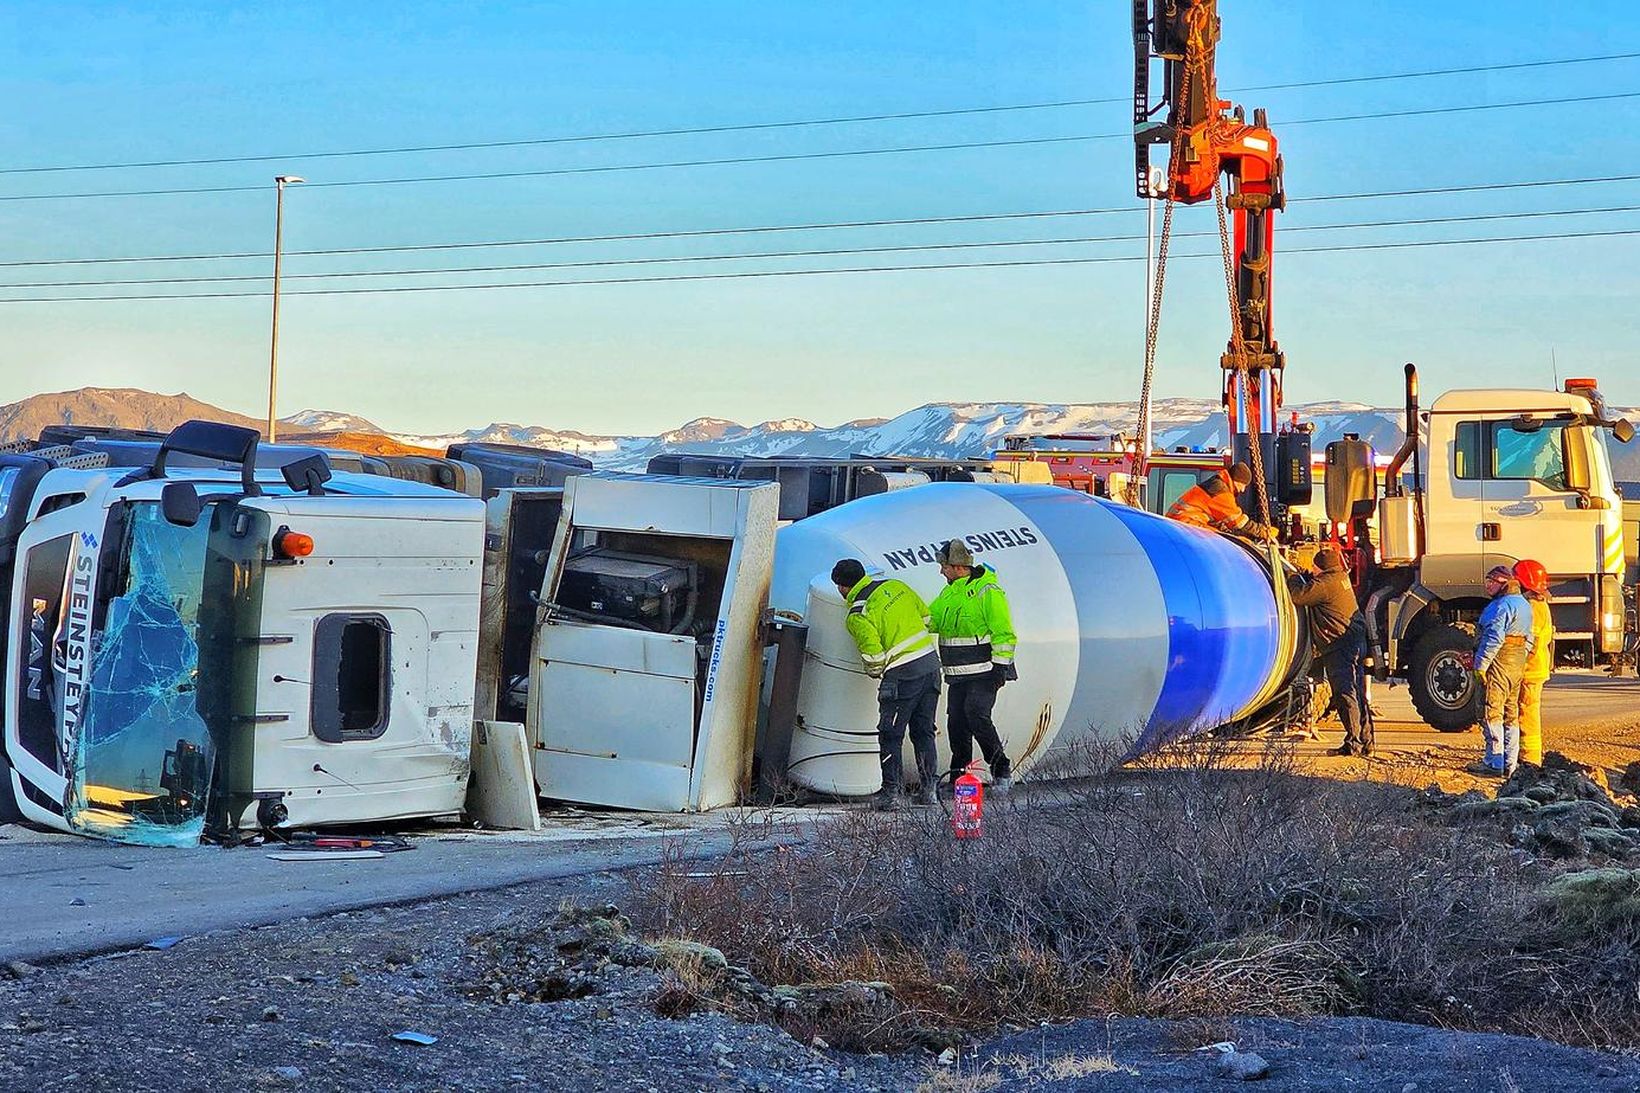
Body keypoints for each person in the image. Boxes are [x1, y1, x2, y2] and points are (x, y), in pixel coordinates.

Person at [831, 558, 942, 809]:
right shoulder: (896, 585)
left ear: (843, 587)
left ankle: (891, 794)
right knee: (923, 731)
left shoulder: (858, 614)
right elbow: (927, 618)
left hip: (903, 674)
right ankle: (929, 791)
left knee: (890, 734)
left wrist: (877, 673)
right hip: (931, 666)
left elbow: (874, 657)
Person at [928, 539, 1016, 793]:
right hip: (958, 672)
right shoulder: (949, 592)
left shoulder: (987, 590)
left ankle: (1000, 768)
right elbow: (932, 620)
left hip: (986, 670)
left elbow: (1004, 631)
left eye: (943, 566)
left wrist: (1000, 667)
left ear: (956, 566)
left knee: (976, 715)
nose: (941, 571)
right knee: (956, 722)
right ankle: (959, 776)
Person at [1289, 545, 1371, 756]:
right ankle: (1367, 742)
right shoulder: (1339, 578)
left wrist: (1293, 576)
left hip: (1339, 646)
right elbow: (1316, 584)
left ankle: (1353, 744)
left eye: (1314, 568)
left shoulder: (1325, 584)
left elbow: (1298, 595)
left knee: (1345, 694)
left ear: (1321, 568)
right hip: (1355, 641)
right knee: (1358, 694)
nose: (1313, 571)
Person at [1469, 564, 1534, 777]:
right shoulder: (1524, 604)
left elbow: (1494, 638)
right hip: (1517, 662)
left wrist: (1481, 665)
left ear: (1503, 583)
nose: (1487, 586)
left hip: (1499, 661)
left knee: (1491, 709)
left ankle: (1494, 762)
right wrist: (1520, 657)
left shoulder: (1500, 606)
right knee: (1511, 711)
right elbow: (1530, 638)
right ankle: (1511, 763)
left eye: (1491, 582)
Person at [1513, 558, 1555, 767]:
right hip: (1535, 668)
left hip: (1530, 670)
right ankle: (1527, 756)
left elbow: (1530, 641)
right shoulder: (1540, 604)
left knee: (1526, 713)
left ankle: (1530, 758)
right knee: (1527, 711)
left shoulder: (1531, 607)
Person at [1165, 462, 1271, 539]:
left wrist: (1232, 535)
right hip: (1185, 524)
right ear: (1236, 480)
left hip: (1180, 522)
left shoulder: (1217, 484)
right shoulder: (1221, 492)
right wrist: (1264, 532)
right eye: (1242, 485)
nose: (1242, 490)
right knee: (1218, 541)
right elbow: (1238, 522)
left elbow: (1218, 521)